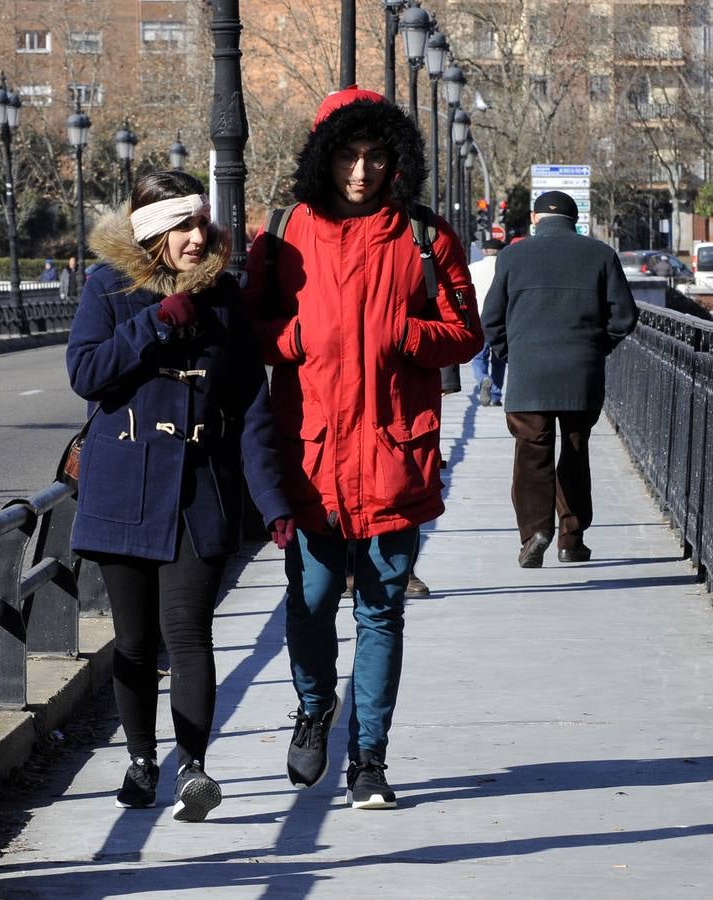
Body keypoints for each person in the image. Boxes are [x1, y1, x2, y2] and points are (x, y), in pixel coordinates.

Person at [244, 86, 482, 809]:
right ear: (325, 156)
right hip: (311, 456)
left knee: (381, 610)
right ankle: (315, 710)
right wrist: (295, 340)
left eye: (374, 156)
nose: (360, 171)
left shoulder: (425, 236)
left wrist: (406, 336)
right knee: (311, 602)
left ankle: (369, 759)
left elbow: (466, 333)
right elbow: (249, 331)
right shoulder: (282, 233)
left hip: (392, 453)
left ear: (394, 160)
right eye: (347, 155)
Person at [66, 171, 294, 822]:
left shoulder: (225, 300)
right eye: (181, 227)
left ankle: (193, 767)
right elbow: (86, 374)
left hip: (199, 489)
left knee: (189, 634)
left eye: (200, 224)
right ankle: (142, 761)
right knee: (134, 642)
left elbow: (252, 407)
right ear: (150, 234)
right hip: (123, 485)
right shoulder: (107, 288)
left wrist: (271, 500)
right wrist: (156, 326)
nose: (198, 238)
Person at [481, 190, 638, 568]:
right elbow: (624, 317)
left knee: (532, 453)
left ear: (535, 219)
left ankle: (535, 532)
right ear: (575, 220)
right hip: (579, 373)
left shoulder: (512, 256)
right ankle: (571, 539)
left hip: (528, 375)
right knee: (575, 450)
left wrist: (512, 355)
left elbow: (491, 320)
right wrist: (595, 348)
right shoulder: (600, 254)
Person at [469, 238, 506, 406]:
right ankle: (497, 395)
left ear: (484, 251)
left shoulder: (473, 269)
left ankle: (483, 378)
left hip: (478, 318)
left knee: (478, 357)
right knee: (499, 358)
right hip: (502, 319)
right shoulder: (505, 268)